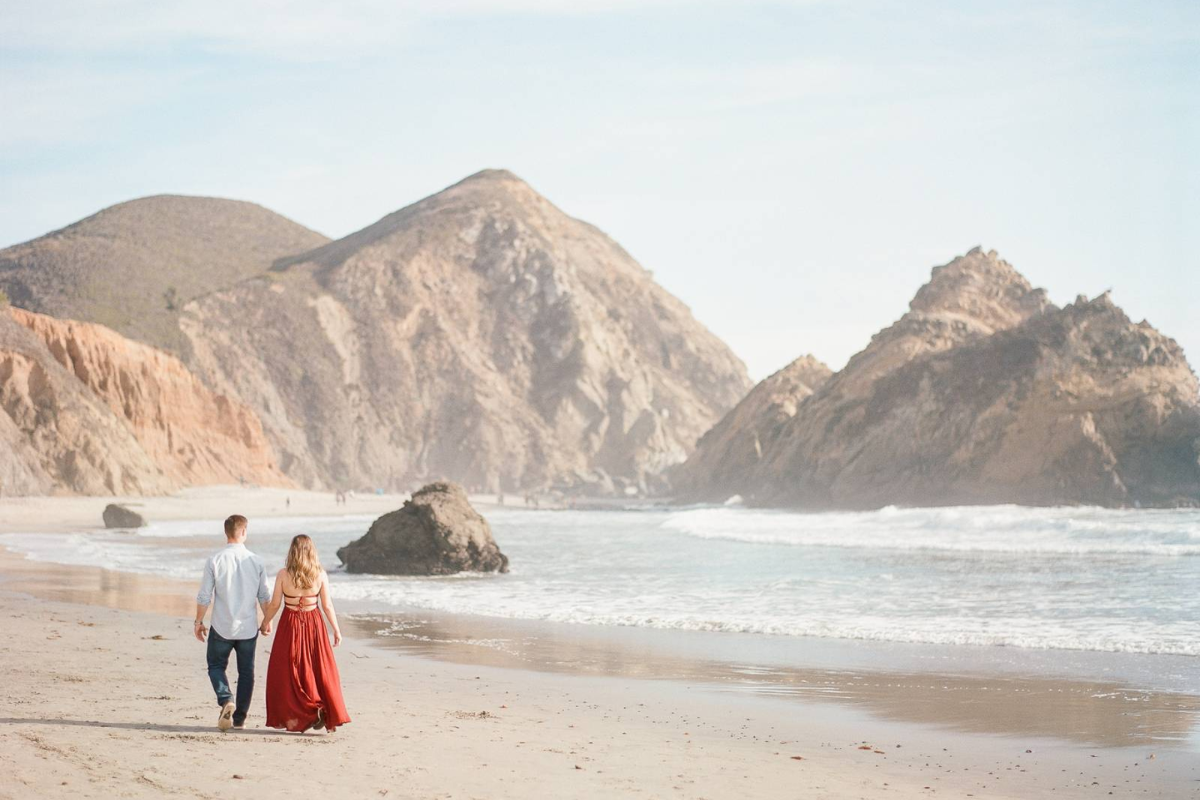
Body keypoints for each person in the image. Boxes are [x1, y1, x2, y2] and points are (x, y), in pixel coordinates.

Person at [259, 535, 350, 733]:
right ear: (312, 551)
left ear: (292, 551)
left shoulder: (283, 574)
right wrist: (336, 629)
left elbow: (275, 604)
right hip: (313, 623)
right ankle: (317, 709)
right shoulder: (320, 574)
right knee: (317, 667)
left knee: (289, 670)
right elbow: (327, 605)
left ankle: (305, 712)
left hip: (289, 623)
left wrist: (265, 622)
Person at [194, 514, 270, 731]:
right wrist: (267, 620)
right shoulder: (256, 561)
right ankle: (239, 719)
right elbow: (264, 595)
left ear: (226, 532)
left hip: (222, 626)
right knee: (246, 672)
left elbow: (204, 596)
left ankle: (226, 698)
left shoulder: (214, 560)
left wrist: (198, 621)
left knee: (216, 666)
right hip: (247, 627)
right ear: (244, 532)